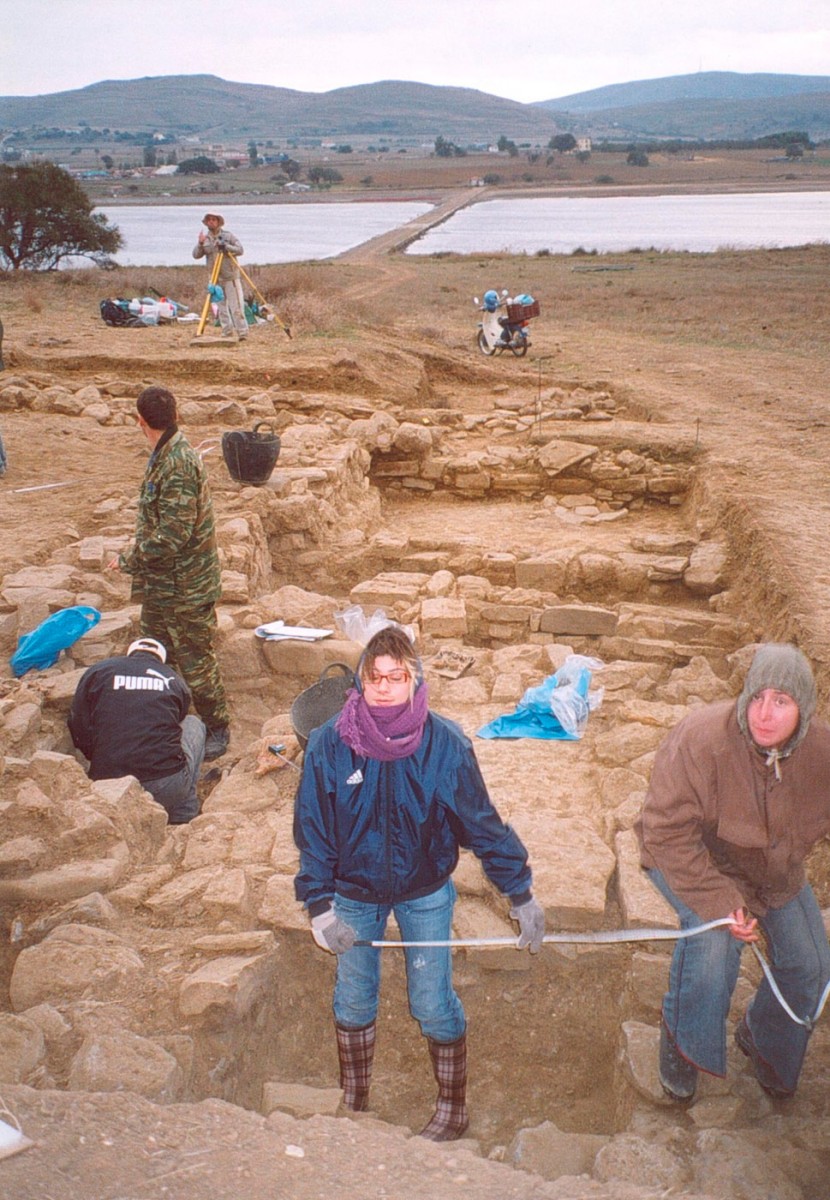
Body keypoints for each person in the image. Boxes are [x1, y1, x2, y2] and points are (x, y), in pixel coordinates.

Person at [293, 624, 545, 1141]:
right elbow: (314, 830)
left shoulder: (445, 745)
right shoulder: (329, 744)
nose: (384, 687)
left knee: (431, 1002)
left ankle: (453, 1109)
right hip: (353, 892)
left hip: (425, 890)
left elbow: (482, 824)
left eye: (396, 677)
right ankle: (354, 1102)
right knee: (354, 998)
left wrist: (519, 894)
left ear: (414, 681)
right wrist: (320, 905)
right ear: (360, 681)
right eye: (375, 676)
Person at [636, 643, 830, 1103]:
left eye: (781, 702)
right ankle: (683, 1052)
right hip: (693, 862)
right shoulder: (702, 740)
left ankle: (763, 1038)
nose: (764, 713)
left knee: (812, 964)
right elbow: (665, 833)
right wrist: (722, 902)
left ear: (803, 708)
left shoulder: (822, 755)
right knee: (712, 951)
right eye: (756, 697)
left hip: (773, 872)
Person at [109, 385, 230, 760]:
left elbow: (172, 536)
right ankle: (164, 717)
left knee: (195, 658)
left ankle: (217, 727)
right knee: (156, 654)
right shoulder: (167, 453)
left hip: (186, 588)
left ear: (141, 422)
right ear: (175, 416)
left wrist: (129, 559)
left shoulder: (177, 463)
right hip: (165, 585)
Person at [68, 637, 206, 824]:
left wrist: (96, 757)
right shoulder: (172, 678)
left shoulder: (99, 671)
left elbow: (78, 722)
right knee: (193, 724)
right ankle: (183, 813)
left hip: (108, 783)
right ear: (160, 659)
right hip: (164, 785)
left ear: (129, 652)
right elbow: (177, 721)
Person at [192, 213, 248, 341]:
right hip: (215, 279)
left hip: (230, 277)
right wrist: (200, 243)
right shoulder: (205, 239)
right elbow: (196, 255)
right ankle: (226, 332)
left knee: (236, 307)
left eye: (213, 220)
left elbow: (240, 250)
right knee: (221, 309)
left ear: (219, 222)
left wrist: (226, 247)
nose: (211, 222)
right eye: (208, 220)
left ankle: (242, 333)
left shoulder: (228, 236)